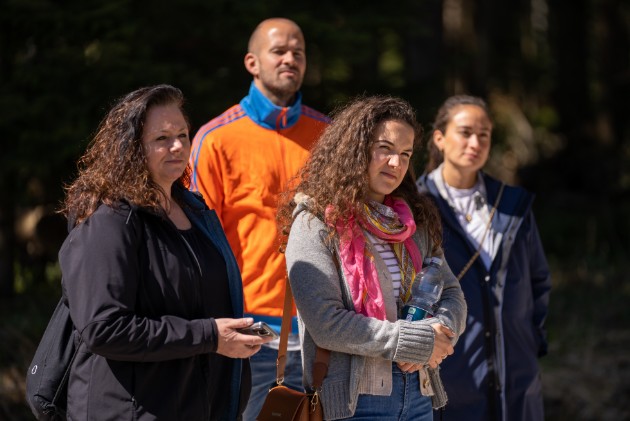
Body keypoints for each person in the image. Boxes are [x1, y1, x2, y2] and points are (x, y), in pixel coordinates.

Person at [59, 84, 273, 420]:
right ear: (131, 148)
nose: (177, 146)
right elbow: (105, 328)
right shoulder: (109, 219)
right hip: (128, 409)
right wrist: (210, 336)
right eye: (161, 139)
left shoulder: (195, 210)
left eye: (183, 135)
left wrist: (227, 334)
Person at [279, 95, 467, 420]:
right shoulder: (315, 222)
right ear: (355, 148)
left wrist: (440, 329)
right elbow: (326, 323)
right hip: (355, 404)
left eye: (405, 154)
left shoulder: (413, 222)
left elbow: (451, 293)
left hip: (420, 395)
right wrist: (414, 341)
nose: (396, 163)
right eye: (385, 149)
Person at [189, 17, 330, 420]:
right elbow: (196, 245)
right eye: (279, 51)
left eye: (298, 52)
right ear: (252, 62)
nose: (290, 59)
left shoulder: (329, 137)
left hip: (322, 332)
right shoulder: (215, 139)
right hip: (248, 332)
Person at [416, 95, 552, 421]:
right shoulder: (416, 206)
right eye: (465, 132)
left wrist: (531, 340)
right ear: (440, 138)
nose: (475, 142)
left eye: (484, 134)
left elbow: (538, 279)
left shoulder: (513, 204)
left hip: (515, 371)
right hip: (449, 368)